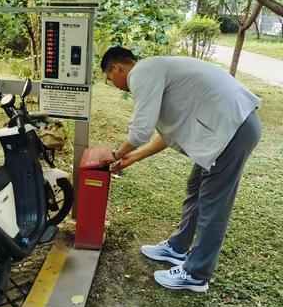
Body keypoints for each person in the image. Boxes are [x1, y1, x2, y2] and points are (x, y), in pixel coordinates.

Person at [101, 47, 261, 293]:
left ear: (116, 68)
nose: (115, 86)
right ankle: (177, 247)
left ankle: (196, 274)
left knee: (213, 205)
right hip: (225, 128)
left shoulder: (142, 72)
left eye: (110, 80)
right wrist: (132, 157)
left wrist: (114, 155)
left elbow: (140, 131)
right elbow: (167, 135)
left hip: (232, 130)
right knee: (195, 188)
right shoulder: (155, 70)